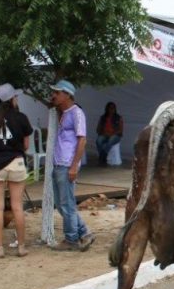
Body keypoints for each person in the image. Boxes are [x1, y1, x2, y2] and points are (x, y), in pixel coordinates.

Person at [0, 83, 33, 258]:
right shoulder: (22, 118)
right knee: (17, 207)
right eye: (15, 97)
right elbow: (25, 146)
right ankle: (21, 247)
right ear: (11, 99)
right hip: (16, 163)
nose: (17, 99)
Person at [49, 79, 95, 251]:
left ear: (67, 95)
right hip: (59, 162)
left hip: (67, 164)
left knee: (66, 204)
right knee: (62, 204)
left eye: (57, 93)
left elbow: (82, 139)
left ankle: (71, 239)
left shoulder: (76, 113)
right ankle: (84, 233)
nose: (54, 95)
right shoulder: (64, 113)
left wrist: (74, 166)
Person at [95, 101, 123, 167]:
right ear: (107, 109)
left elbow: (120, 130)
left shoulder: (119, 118)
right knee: (98, 141)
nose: (112, 109)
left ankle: (102, 157)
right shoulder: (102, 117)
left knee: (110, 141)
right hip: (104, 134)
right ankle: (103, 156)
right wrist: (102, 133)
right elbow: (98, 129)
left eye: (113, 108)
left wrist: (111, 133)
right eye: (110, 108)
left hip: (115, 135)